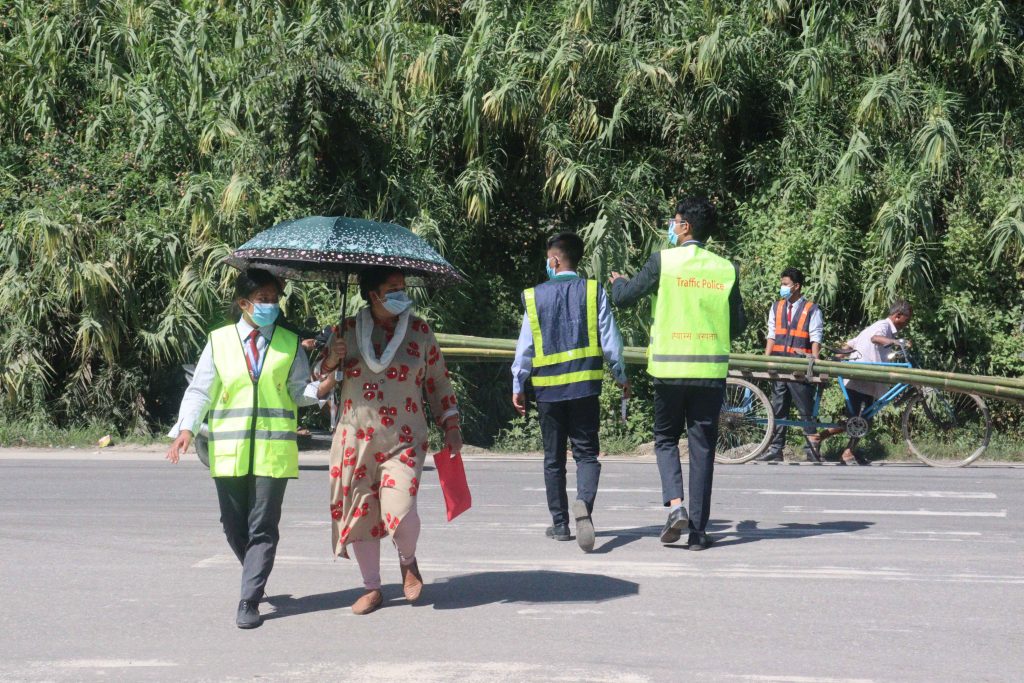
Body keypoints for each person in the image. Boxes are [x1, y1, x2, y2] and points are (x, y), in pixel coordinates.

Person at [165, 268, 345, 629]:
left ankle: (249, 598)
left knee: (263, 525)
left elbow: (298, 391)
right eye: (262, 299)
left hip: (273, 451)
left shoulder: (288, 343)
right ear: (243, 303)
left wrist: (328, 381)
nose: (270, 306)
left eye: (274, 299)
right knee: (234, 526)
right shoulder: (219, 341)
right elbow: (200, 389)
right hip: (228, 450)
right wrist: (185, 428)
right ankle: (254, 572)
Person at [609, 197, 745, 550]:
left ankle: (676, 505)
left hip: (669, 370)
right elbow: (740, 322)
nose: (671, 226)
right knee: (702, 449)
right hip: (710, 372)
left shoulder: (663, 262)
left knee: (666, 439)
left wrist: (618, 281)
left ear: (685, 227)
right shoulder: (725, 268)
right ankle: (698, 534)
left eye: (674, 221)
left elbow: (624, 298)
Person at [325, 266, 462, 615]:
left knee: (398, 511)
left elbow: (438, 382)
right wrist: (331, 360)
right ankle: (372, 588)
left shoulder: (419, 332)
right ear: (373, 295)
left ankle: (408, 560)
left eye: (403, 286)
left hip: (403, 440)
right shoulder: (346, 331)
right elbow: (319, 381)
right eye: (393, 288)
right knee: (360, 515)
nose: (402, 292)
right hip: (354, 441)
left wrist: (451, 424)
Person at [511, 232, 629, 553]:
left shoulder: (535, 296)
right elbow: (611, 340)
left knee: (553, 459)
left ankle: (561, 524)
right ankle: (584, 505)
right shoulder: (593, 291)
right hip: (584, 389)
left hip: (548, 391)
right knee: (587, 454)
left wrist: (517, 384)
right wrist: (620, 374)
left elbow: (525, 346)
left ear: (554, 260)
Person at [819, 300, 913, 465]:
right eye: (907, 318)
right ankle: (823, 439)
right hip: (860, 378)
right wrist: (897, 343)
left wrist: (837, 358)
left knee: (862, 420)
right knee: (858, 420)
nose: (907, 323)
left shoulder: (883, 328)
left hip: (866, 379)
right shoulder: (883, 326)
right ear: (898, 316)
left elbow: (852, 343)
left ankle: (845, 451)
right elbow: (875, 338)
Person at [758, 267, 824, 463]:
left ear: (797, 286)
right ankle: (776, 448)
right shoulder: (776, 307)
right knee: (778, 408)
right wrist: (766, 359)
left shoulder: (811, 309)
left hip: (799, 367)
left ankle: (811, 449)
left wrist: (815, 361)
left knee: (806, 409)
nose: (782, 287)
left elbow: (816, 337)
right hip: (779, 364)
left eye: (785, 284)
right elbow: (771, 334)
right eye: (782, 284)